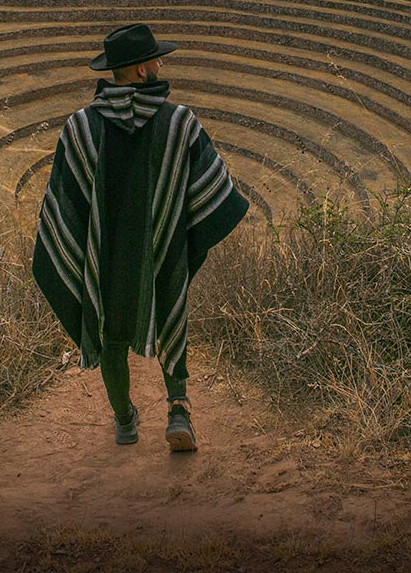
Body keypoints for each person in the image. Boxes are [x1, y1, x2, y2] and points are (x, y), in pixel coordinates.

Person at [33, 23, 249, 451]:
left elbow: (64, 202)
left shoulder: (79, 127)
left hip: (105, 256)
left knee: (108, 331)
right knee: (171, 314)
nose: (160, 65)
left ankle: (124, 420)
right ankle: (178, 411)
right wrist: (186, 241)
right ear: (136, 69)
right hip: (163, 248)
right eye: (155, 60)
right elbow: (213, 191)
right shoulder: (178, 123)